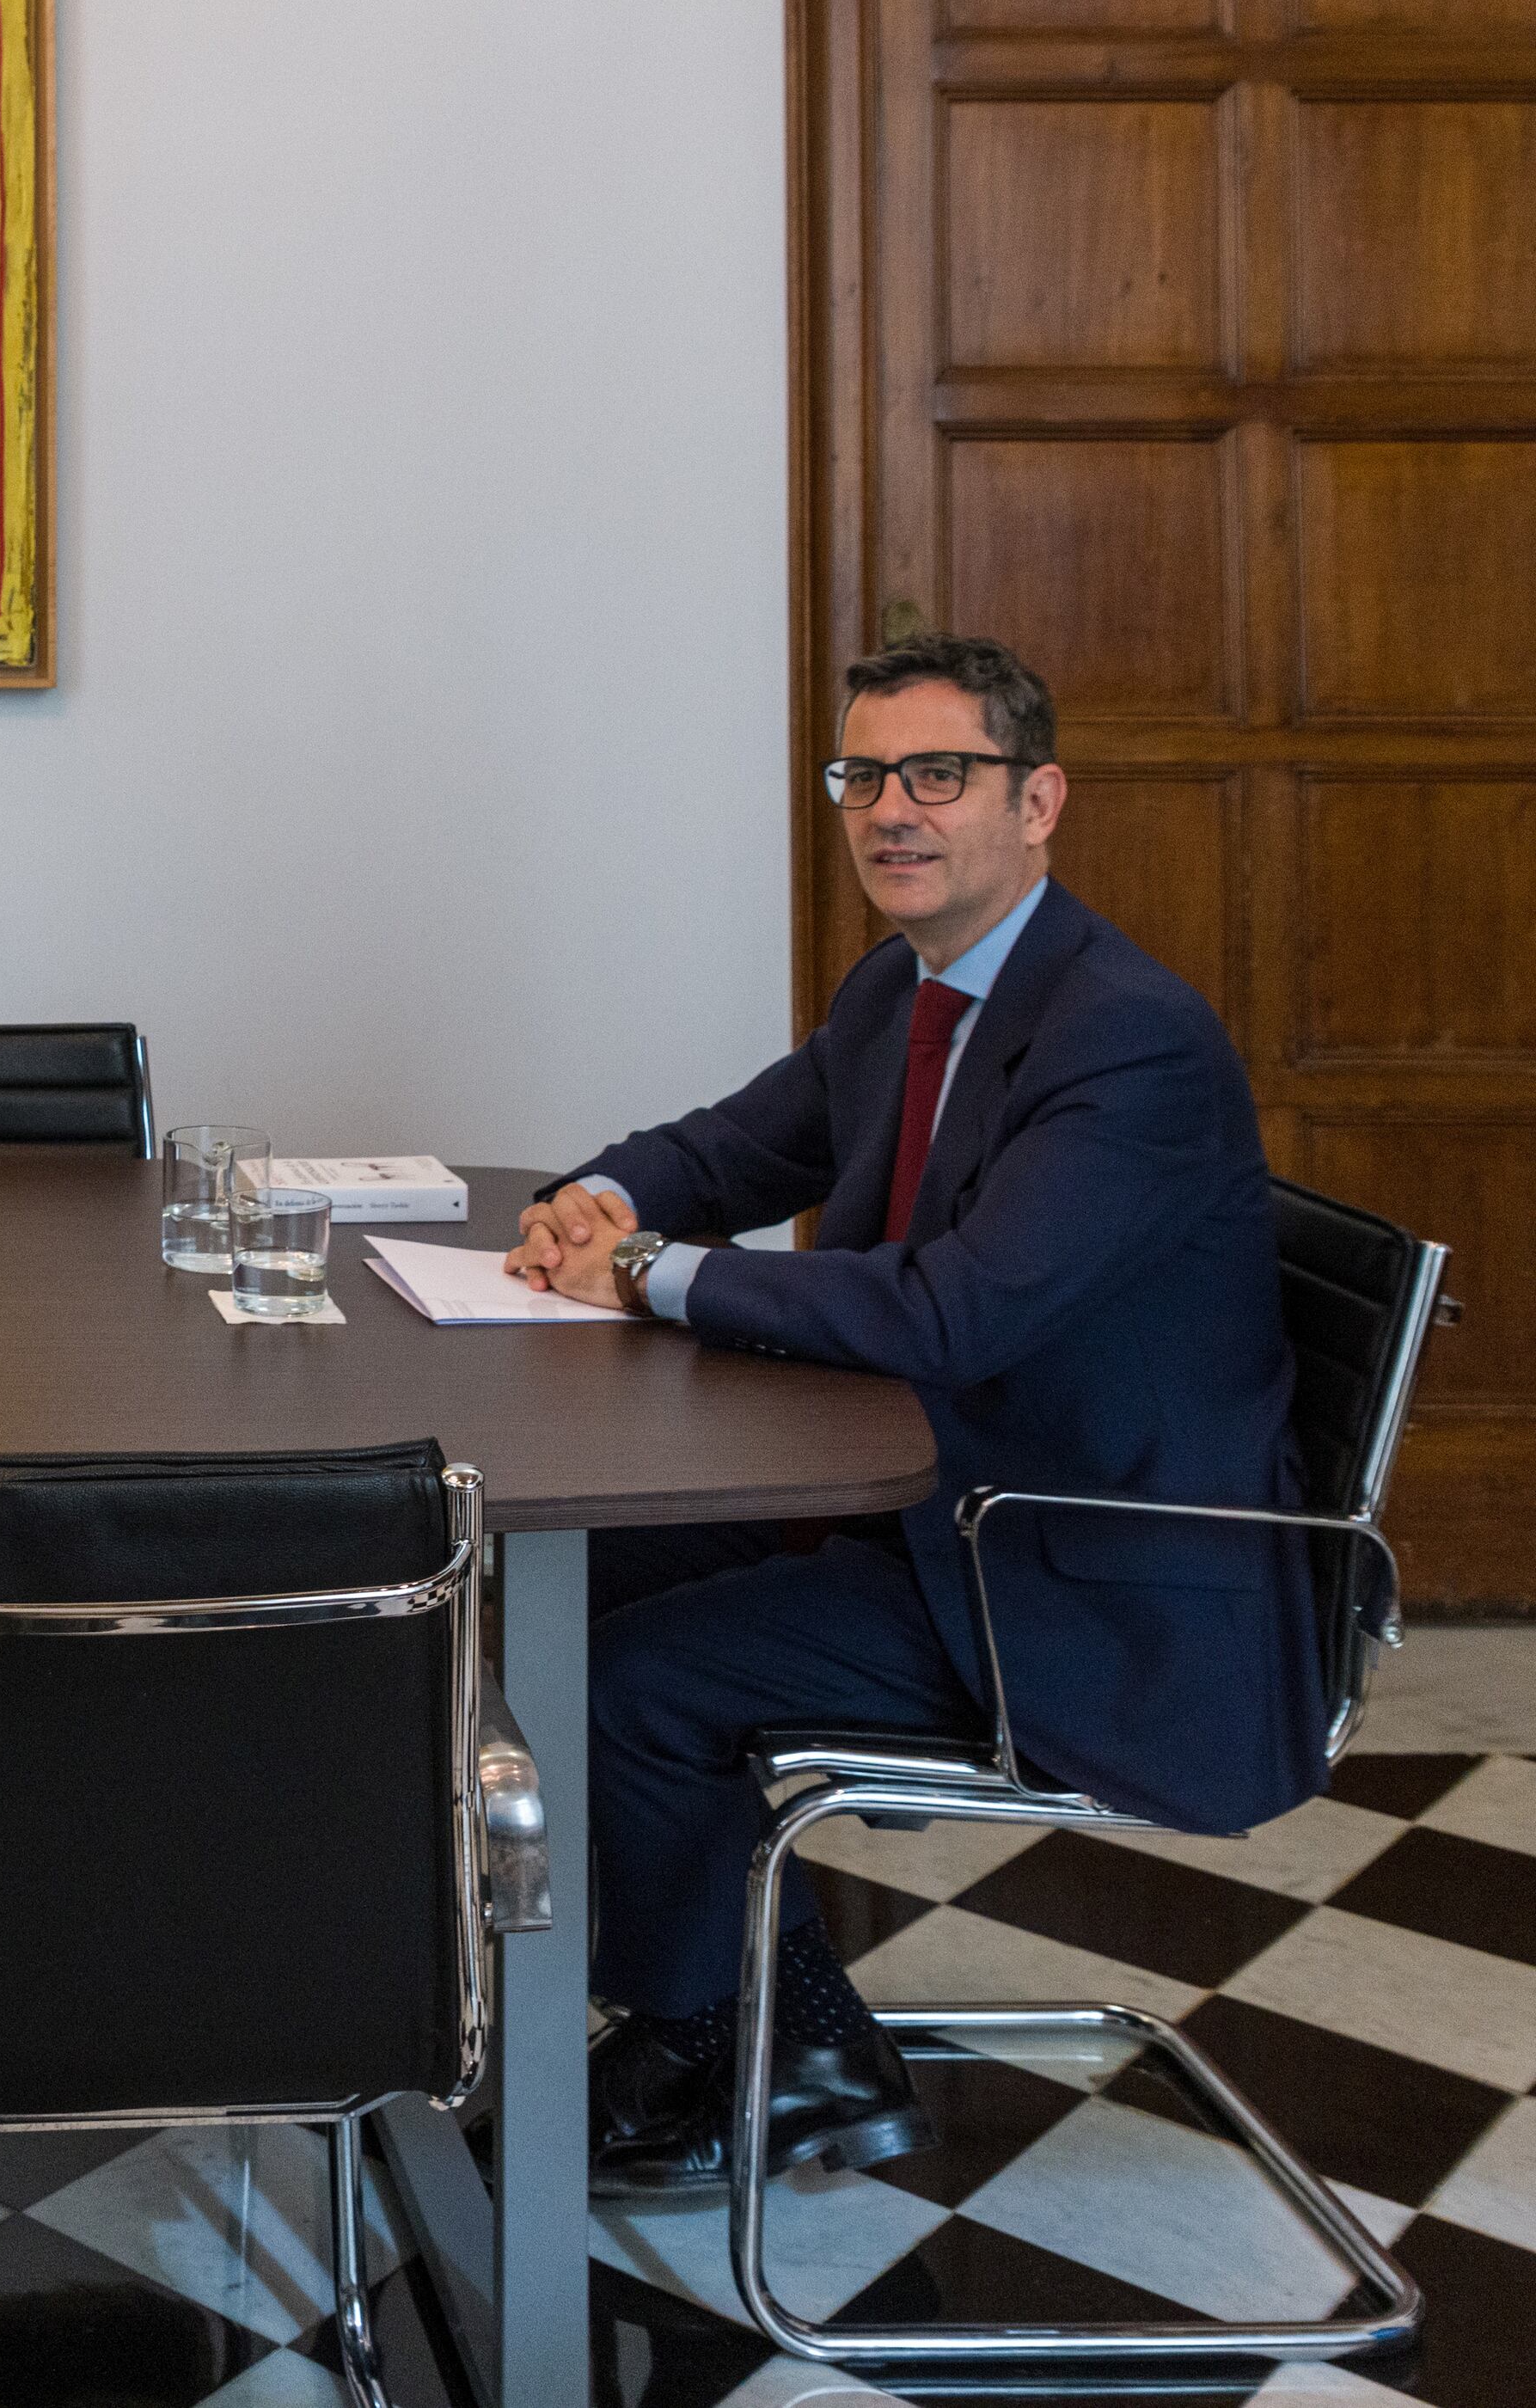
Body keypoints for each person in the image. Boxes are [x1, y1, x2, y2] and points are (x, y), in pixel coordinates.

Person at [505, 633, 1321, 2197]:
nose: (894, 809)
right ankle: (790, 2030)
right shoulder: (905, 988)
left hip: (1080, 1561)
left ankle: (711, 2046)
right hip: (941, 1501)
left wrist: (651, 1275)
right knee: (557, 1586)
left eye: (939, 773)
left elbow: (954, 1310)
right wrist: (598, 1199)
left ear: (1039, 801)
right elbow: (738, 1147)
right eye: (863, 775)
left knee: (623, 1679)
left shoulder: (1123, 1035)